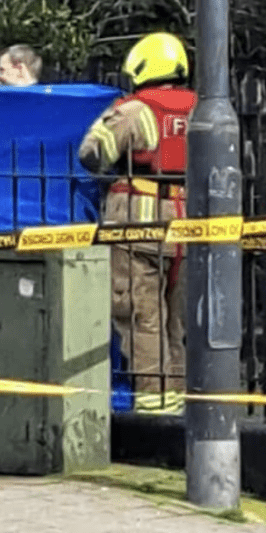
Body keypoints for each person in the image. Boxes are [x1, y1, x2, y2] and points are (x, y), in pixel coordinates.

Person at [78, 32, 196, 394]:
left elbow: (92, 154)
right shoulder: (203, 108)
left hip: (138, 228)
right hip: (191, 228)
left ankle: (154, 405)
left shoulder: (134, 110)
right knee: (180, 325)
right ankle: (184, 405)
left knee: (142, 320)